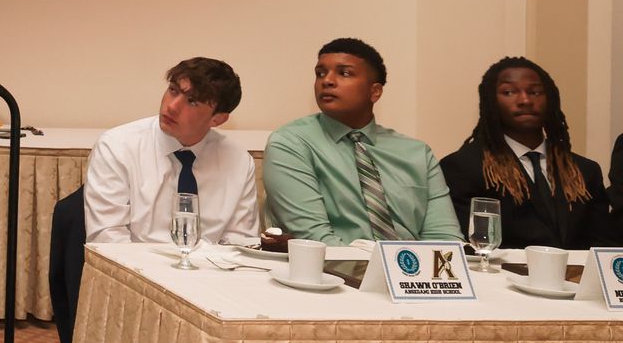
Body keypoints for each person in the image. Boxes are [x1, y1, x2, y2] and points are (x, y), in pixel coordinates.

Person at [263, 37, 461, 243]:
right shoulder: (291, 144)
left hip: (411, 270)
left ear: (375, 91)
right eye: (320, 73)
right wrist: (377, 273)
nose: (327, 81)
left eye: (344, 73)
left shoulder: (417, 153)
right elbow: (315, 240)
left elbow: (444, 240)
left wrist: (411, 273)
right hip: (333, 272)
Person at [440, 56, 616, 251]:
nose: (525, 100)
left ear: (550, 99)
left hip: (577, 279)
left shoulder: (585, 171)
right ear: (490, 101)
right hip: (501, 279)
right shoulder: (464, 167)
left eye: (535, 92)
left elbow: (603, 245)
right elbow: (471, 246)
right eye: (509, 92)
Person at [83, 58, 261, 246]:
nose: (172, 106)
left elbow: (241, 244)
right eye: (173, 90)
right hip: (137, 269)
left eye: (192, 101)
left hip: (209, 272)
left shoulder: (238, 161)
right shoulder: (117, 147)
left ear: (217, 119)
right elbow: (108, 241)